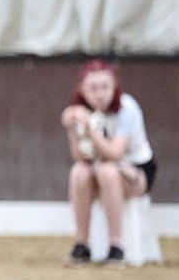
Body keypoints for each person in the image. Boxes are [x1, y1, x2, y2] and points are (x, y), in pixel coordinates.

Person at [59, 59, 157, 267]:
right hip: (99, 170)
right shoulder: (82, 112)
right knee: (79, 172)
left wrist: (89, 129)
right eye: (93, 88)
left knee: (107, 171)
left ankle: (117, 246)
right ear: (82, 90)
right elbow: (81, 157)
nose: (100, 94)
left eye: (105, 87)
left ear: (114, 87)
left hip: (135, 172)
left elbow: (114, 153)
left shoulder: (127, 109)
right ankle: (82, 245)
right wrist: (72, 130)